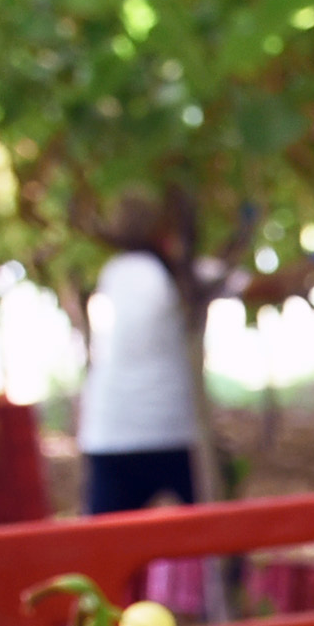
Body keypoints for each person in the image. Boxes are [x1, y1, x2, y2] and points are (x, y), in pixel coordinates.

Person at [77, 195, 200, 516]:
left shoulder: (113, 273)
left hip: (111, 430)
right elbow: (256, 286)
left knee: (108, 550)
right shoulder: (177, 274)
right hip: (171, 428)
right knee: (216, 540)